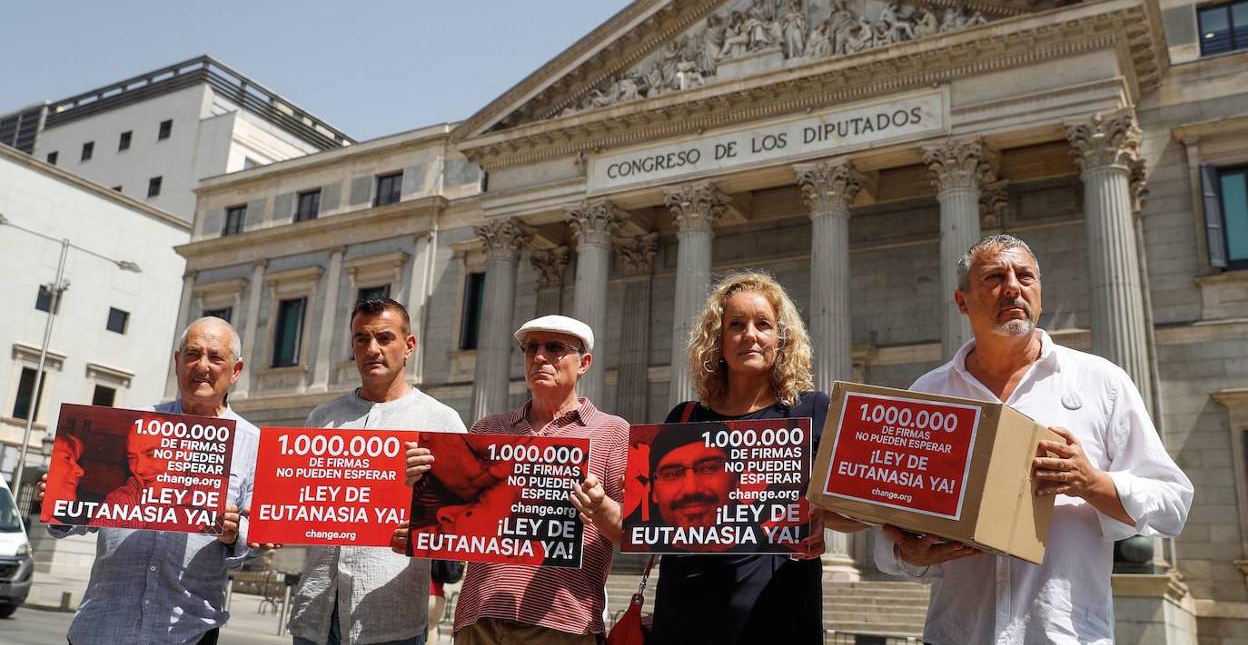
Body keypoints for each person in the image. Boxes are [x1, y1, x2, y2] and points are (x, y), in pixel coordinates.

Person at [874, 234, 1193, 645]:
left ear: (1039, 293)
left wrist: (1091, 483)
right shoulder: (927, 394)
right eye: (994, 276)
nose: (1012, 287)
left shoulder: (1102, 383)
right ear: (962, 301)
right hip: (957, 633)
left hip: (1065, 634)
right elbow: (892, 516)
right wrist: (907, 554)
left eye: (1025, 276)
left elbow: (1172, 504)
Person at [649, 271, 864, 645]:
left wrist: (819, 515)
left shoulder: (812, 410)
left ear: (780, 339)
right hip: (686, 614)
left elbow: (862, 511)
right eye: (736, 325)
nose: (750, 334)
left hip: (779, 612)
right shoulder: (684, 418)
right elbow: (652, 522)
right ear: (717, 341)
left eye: (763, 324)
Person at [396, 314, 629, 645]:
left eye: (554, 348)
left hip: (564, 623)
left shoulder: (613, 432)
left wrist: (600, 506)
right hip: (480, 617)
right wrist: (421, 491)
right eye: (530, 348)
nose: (539, 357)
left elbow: (629, 531)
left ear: (584, 363)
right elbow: (455, 528)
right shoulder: (488, 430)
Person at [40, 315, 260, 645]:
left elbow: (256, 534)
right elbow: (76, 517)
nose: (202, 366)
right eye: (192, 354)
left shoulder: (253, 443)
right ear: (176, 362)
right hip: (103, 626)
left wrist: (234, 533)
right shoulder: (134, 423)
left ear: (236, 370)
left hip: (186, 631)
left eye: (215, 357)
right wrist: (58, 498)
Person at [286, 297, 465, 645]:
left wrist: (428, 504)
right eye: (361, 339)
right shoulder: (321, 419)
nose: (372, 349)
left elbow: (464, 525)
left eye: (384, 338)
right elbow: (295, 501)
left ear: (408, 345)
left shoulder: (442, 422)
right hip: (315, 616)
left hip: (390, 621)